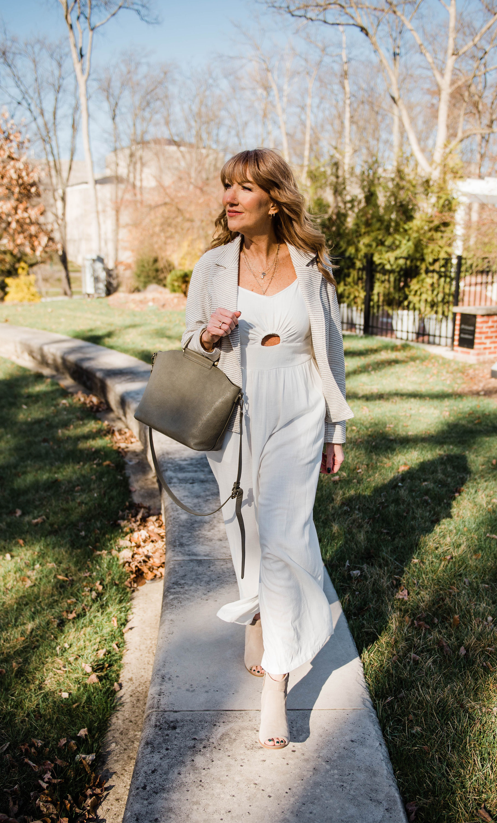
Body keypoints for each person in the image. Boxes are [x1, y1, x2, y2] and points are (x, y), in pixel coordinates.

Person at [181, 148, 353, 750]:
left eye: (243, 188)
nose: (229, 197)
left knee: (282, 533)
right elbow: (187, 342)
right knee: (244, 528)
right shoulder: (211, 266)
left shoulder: (311, 264)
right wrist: (207, 334)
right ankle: (259, 615)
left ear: (273, 199)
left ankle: (275, 682)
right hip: (233, 409)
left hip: (298, 408)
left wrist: (335, 428)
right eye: (227, 186)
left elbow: (328, 353)